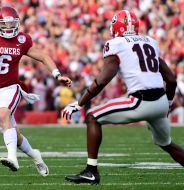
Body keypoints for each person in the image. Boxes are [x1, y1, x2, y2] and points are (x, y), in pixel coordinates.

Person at [62, 10, 184, 184]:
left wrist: (79, 103)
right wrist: (168, 103)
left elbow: (102, 80)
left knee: (92, 117)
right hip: (161, 102)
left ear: (116, 27)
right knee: (167, 144)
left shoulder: (116, 44)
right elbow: (171, 79)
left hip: (141, 101)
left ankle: (91, 171)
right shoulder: (151, 41)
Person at [0, 5, 72, 177]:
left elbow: (43, 56)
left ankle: (12, 158)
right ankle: (35, 155)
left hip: (10, 87)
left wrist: (58, 75)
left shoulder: (22, 40)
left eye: (12, 24)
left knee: (3, 113)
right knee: (12, 132)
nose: (9, 27)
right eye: (5, 24)